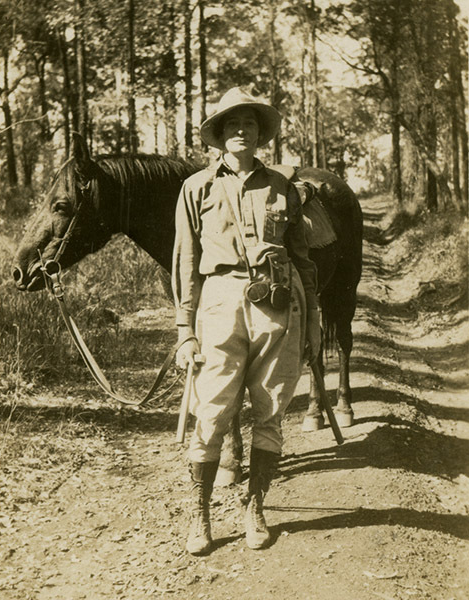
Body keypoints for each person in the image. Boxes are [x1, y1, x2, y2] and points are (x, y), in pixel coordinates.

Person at [172, 87, 320, 555]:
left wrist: (312, 320)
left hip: (277, 302)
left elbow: (302, 260)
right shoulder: (197, 187)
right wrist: (185, 332)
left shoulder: (282, 187)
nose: (241, 131)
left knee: (271, 409)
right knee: (212, 411)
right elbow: (185, 263)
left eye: (249, 124)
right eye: (231, 125)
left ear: (260, 135)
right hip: (219, 302)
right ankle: (200, 514)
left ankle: (255, 508)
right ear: (218, 135)